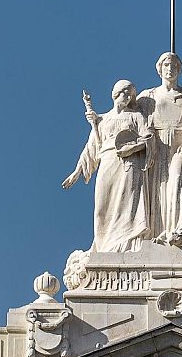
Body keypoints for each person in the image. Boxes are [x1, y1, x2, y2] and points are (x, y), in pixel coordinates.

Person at [63, 80, 153, 253]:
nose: (127, 97)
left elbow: (148, 138)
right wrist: (77, 171)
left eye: (130, 94)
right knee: (101, 208)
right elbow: (91, 148)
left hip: (129, 164)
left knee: (128, 205)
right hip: (107, 160)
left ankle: (128, 245)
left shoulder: (136, 117)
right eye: (124, 92)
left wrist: (132, 148)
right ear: (115, 93)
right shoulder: (103, 120)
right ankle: (103, 246)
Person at [136, 52, 182, 246]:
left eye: (174, 65)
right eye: (166, 65)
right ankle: (158, 232)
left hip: (181, 146)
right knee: (158, 188)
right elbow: (126, 114)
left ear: (179, 70)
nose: (170, 69)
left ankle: (179, 228)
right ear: (159, 69)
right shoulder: (148, 97)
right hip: (157, 146)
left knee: (178, 180)